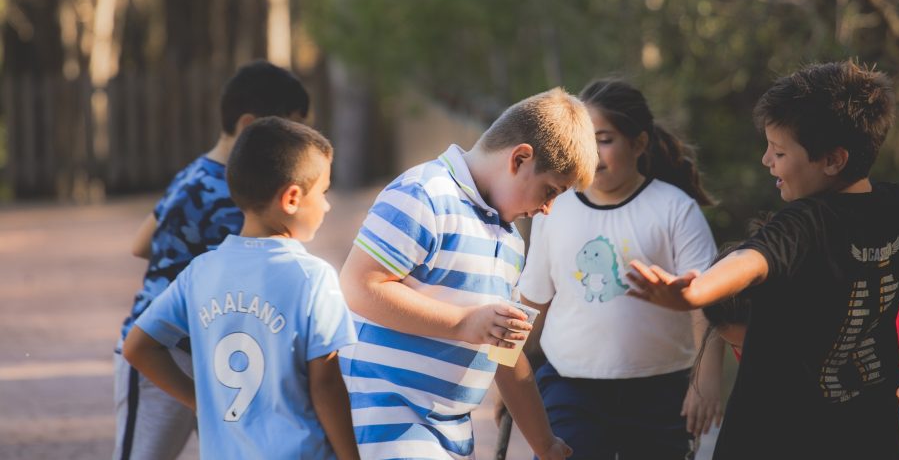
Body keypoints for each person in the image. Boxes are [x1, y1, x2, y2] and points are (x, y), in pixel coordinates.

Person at [626, 61, 899, 459]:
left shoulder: (809, 220)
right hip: (873, 437)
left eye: (778, 151)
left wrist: (695, 294)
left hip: (778, 439)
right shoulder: (896, 205)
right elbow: (752, 257)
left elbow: (754, 258)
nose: (766, 160)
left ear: (833, 160)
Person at [337, 87, 599, 460]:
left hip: (452, 431)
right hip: (388, 419)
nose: (548, 209)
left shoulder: (509, 242)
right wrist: (463, 322)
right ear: (520, 159)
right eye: (549, 190)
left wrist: (545, 443)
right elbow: (359, 286)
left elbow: (503, 353)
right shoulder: (424, 193)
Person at [123, 117, 359, 460]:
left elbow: (137, 347)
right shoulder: (314, 277)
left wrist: (202, 401)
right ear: (292, 198)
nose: (327, 204)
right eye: (323, 192)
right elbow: (325, 384)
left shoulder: (200, 272)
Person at [515, 78, 723, 460]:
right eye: (585, 140)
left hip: (659, 392)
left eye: (605, 139)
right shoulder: (554, 207)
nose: (592, 153)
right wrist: (508, 384)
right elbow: (532, 302)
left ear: (639, 143)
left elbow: (706, 301)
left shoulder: (675, 209)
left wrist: (706, 382)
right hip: (568, 386)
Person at [113, 61, 311, 460]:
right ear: (249, 125)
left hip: (211, 353)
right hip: (161, 352)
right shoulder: (245, 198)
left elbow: (141, 244)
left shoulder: (192, 174)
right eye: (287, 134)